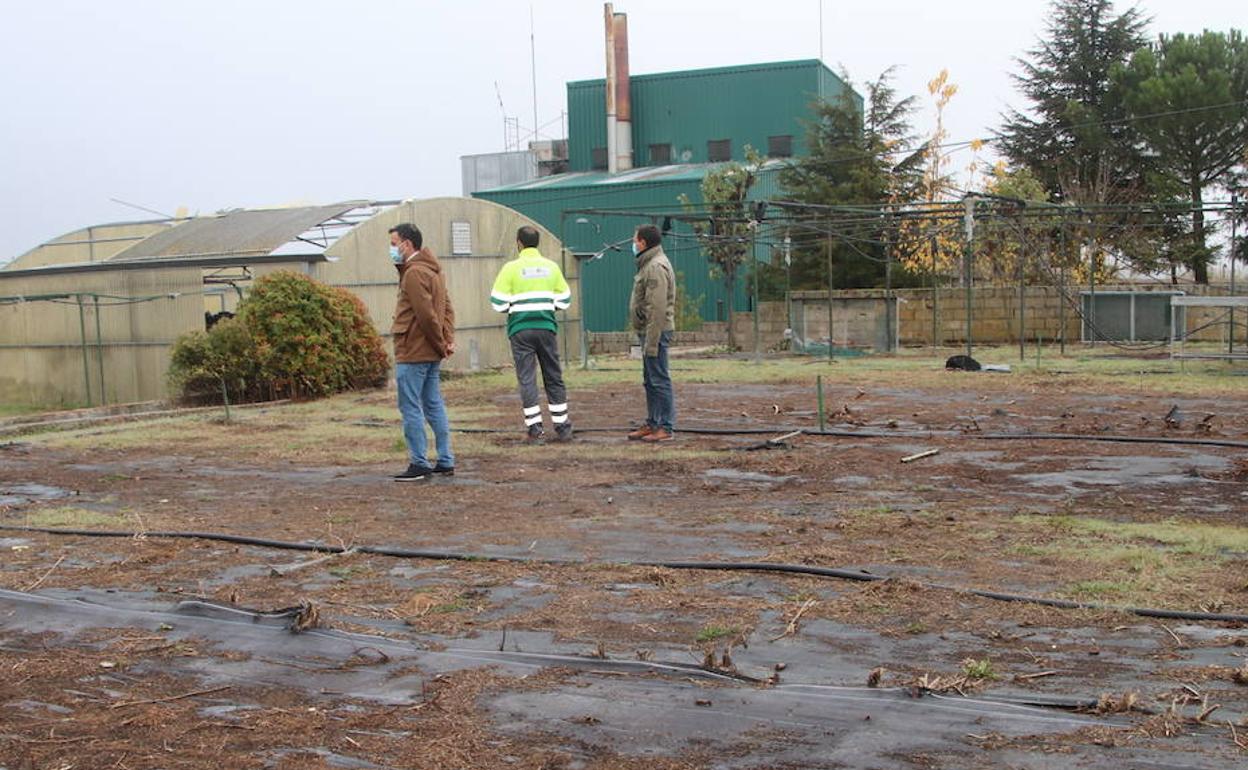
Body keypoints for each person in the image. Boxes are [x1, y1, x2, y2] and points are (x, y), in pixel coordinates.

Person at [490, 225, 573, 443]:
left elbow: (497, 302)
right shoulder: (551, 267)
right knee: (553, 376)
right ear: (538, 243)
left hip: (520, 330)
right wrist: (546, 307)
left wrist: (515, 308)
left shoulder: (510, 268)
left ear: (519, 243)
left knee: (527, 379)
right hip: (546, 328)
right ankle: (562, 427)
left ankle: (535, 430)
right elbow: (564, 299)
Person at [389, 223, 456, 481]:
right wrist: (446, 340)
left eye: (394, 244)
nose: (392, 250)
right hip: (430, 351)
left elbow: (426, 315)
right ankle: (445, 459)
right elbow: (447, 309)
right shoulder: (433, 271)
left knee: (411, 407)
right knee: (433, 404)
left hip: (414, 350)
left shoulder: (414, 273)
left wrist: (441, 342)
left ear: (407, 244)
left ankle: (419, 462)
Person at [627, 223, 676, 442]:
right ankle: (653, 422)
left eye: (635, 240)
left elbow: (656, 308)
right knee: (650, 379)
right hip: (647, 331)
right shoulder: (647, 265)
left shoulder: (655, 267)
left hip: (655, 331)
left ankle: (665, 427)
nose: (633, 244)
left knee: (659, 379)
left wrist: (652, 342)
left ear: (643, 243)